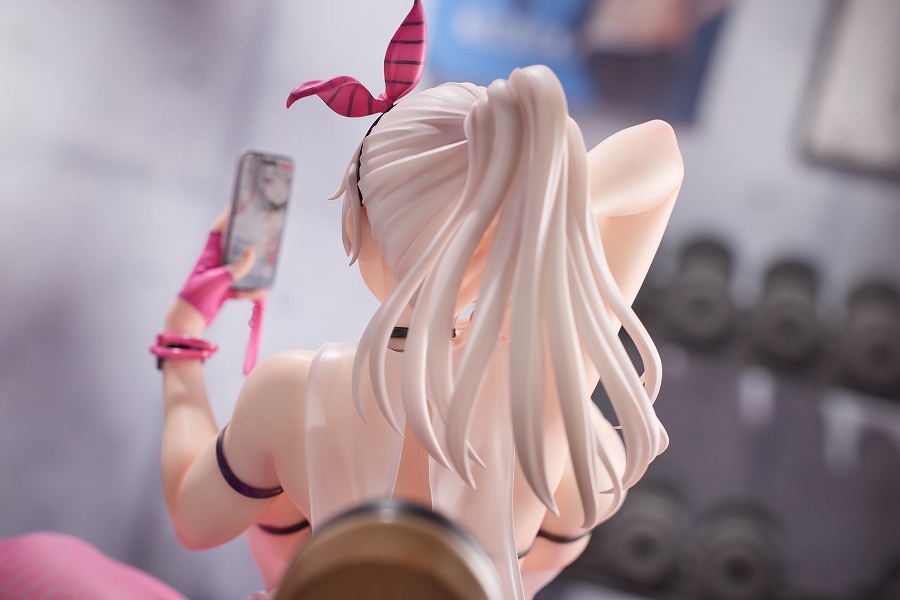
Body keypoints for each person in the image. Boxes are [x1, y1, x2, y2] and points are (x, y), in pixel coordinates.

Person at [155, 2, 683, 598]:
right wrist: (535, 215)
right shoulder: (542, 394)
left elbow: (194, 522)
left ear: (360, 222)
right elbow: (660, 152)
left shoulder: (288, 394)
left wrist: (183, 336)